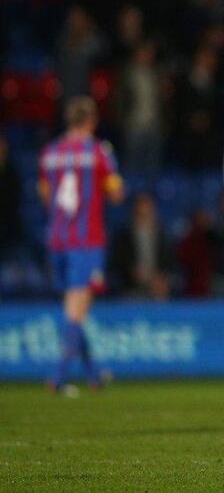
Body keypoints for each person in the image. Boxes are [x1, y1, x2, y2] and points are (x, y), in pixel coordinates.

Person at [38, 96, 124, 394]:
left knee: (74, 308)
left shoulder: (49, 153)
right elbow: (116, 193)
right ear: (92, 121)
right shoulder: (98, 152)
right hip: (86, 241)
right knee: (76, 309)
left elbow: (45, 195)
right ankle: (58, 377)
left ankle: (93, 375)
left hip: (57, 239)